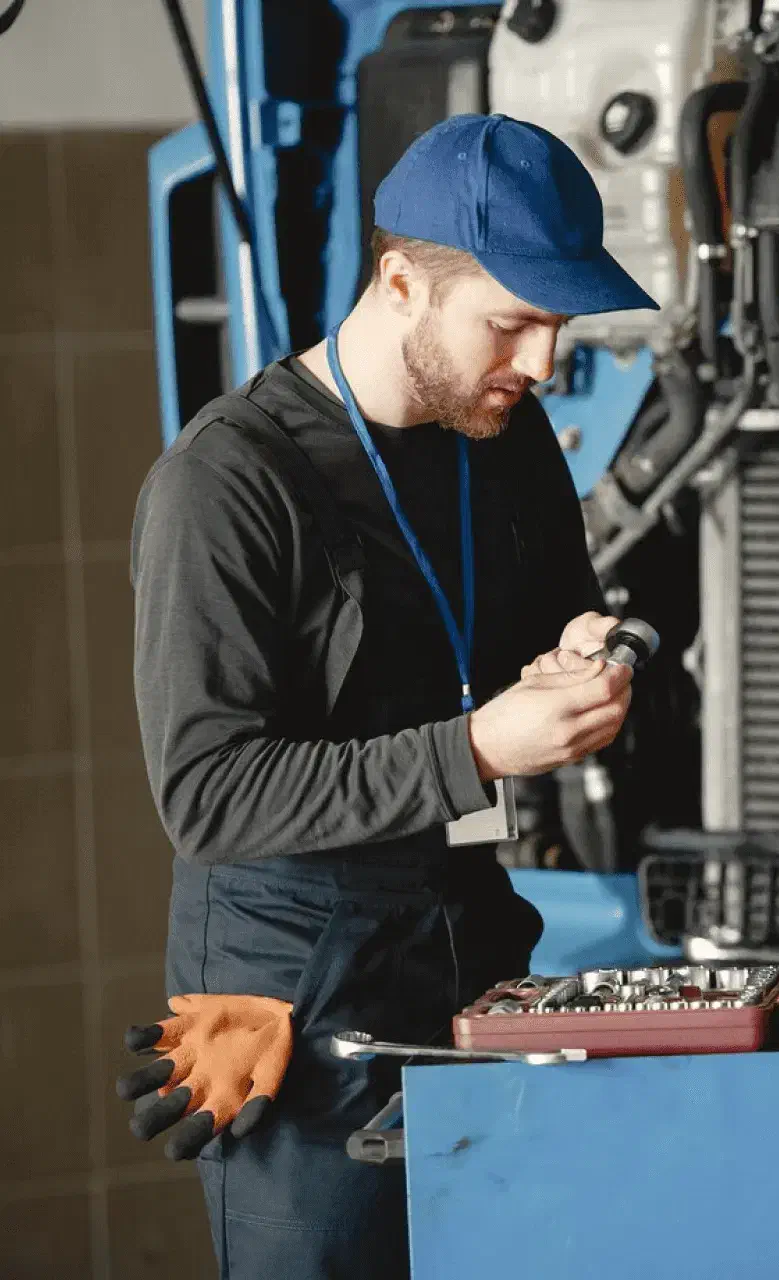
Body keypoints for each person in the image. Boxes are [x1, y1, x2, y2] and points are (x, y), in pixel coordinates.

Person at [117, 113, 659, 1279]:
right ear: (400, 281)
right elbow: (207, 795)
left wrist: (603, 651)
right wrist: (475, 747)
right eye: (512, 321)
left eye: (557, 323)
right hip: (289, 1024)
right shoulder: (224, 483)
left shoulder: (503, 441)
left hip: (471, 958)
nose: (543, 361)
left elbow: (567, 617)